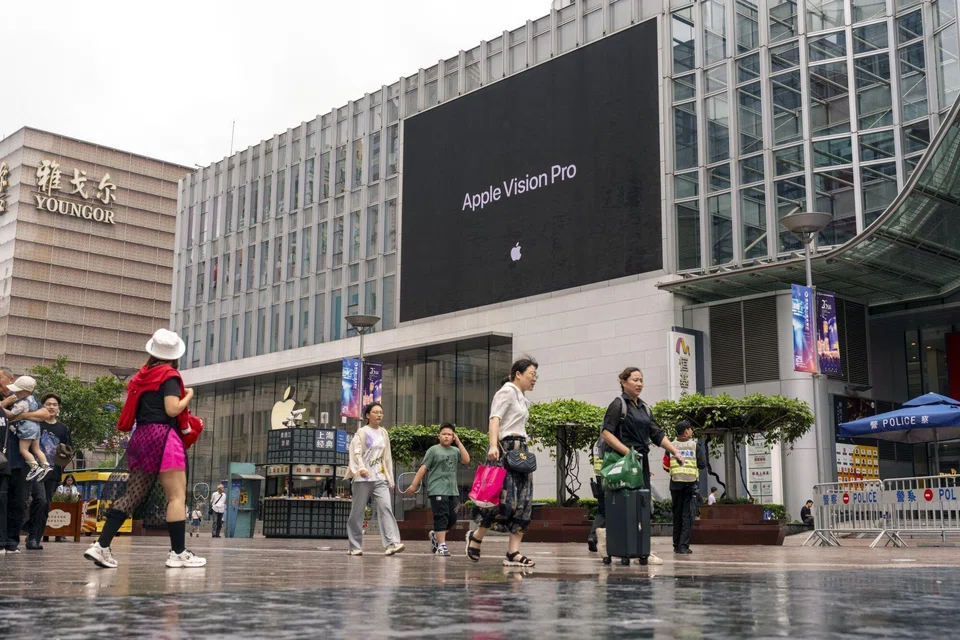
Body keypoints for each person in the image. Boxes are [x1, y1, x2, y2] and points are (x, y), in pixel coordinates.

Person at [83, 328, 206, 569]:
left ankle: (101, 545)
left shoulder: (141, 376)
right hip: (165, 437)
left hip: (142, 437)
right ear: (174, 355)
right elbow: (172, 409)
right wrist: (189, 395)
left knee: (132, 494)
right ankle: (178, 553)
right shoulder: (169, 376)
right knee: (176, 497)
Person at [599, 367, 686, 565]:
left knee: (642, 506)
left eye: (641, 380)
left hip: (640, 462)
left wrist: (675, 451)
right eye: (635, 380)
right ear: (623, 382)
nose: (639, 384)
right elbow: (606, 433)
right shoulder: (618, 405)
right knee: (625, 505)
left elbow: (657, 434)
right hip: (624, 463)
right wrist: (627, 452)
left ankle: (642, 549)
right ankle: (621, 546)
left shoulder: (644, 408)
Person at [467, 358, 539, 568]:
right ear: (518, 373)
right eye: (531, 374)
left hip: (521, 451)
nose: (534, 378)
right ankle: (476, 536)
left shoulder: (522, 397)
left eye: (535, 375)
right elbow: (494, 418)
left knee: (524, 502)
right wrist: (492, 446)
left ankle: (513, 552)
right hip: (505, 449)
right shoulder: (507, 392)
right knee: (500, 499)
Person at [0, 367, 50, 554]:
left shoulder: (23, 399)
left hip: (20, 460)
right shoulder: (8, 400)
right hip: (4, 461)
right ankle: (3, 540)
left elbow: (45, 414)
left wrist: (19, 415)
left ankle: (12, 541)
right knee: (3, 501)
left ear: (10, 379)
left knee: (19, 501)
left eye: (0, 378)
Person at [345, 402, 405, 556]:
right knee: (357, 512)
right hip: (363, 478)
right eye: (375, 412)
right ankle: (354, 546)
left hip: (379, 476)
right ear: (367, 415)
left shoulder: (384, 433)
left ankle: (391, 543)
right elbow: (356, 452)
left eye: (381, 412)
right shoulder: (362, 432)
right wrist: (361, 468)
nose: (379, 415)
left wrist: (389, 476)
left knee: (386, 507)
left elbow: (386, 457)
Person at [403, 423, 470, 556]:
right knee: (441, 516)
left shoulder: (455, 451)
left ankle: (435, 535)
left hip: (452, 490)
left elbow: (466, 460)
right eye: (444, 434)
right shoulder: (433, 450)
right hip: (437, 489)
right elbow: (423, 468)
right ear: (438, 436)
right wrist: (414, 484)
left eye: (449, 434)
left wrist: (459, 442)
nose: (446, 436)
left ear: (453, 437)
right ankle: (441, 546)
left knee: (453, 518)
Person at [662, 420, 706, 555]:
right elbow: (702, 464)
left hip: (675, 484)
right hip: (690, 484)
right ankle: (684, 546)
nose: (692, 431)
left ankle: (676, 545)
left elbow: (665, 466)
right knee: (687, 515)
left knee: (677, 515)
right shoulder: (694, 445)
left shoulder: (670, 446)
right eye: (691, 429)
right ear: (686, 431)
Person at [37, 393, 73, 543]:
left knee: (46, 505)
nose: (51, 407)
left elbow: (69, 450)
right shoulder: (36, 424)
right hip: (35, 471)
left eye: (54, 404)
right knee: (39, 500)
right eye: (48, 404)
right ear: (42, 406)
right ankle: (32, 533)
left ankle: (35, 537)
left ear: (58, 408)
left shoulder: (63, 428)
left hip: (53, 472)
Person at [4, 376, 52, 482]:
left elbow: (11, 414)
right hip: (36, 427)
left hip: (27, 429)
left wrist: (2, 408)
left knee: (24, 450)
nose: (15, 393)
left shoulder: (22, 403)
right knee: (36, 449)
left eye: (18, 391)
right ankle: (45, 465)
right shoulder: (32, 399)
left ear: (27, 392)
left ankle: (35, 467)